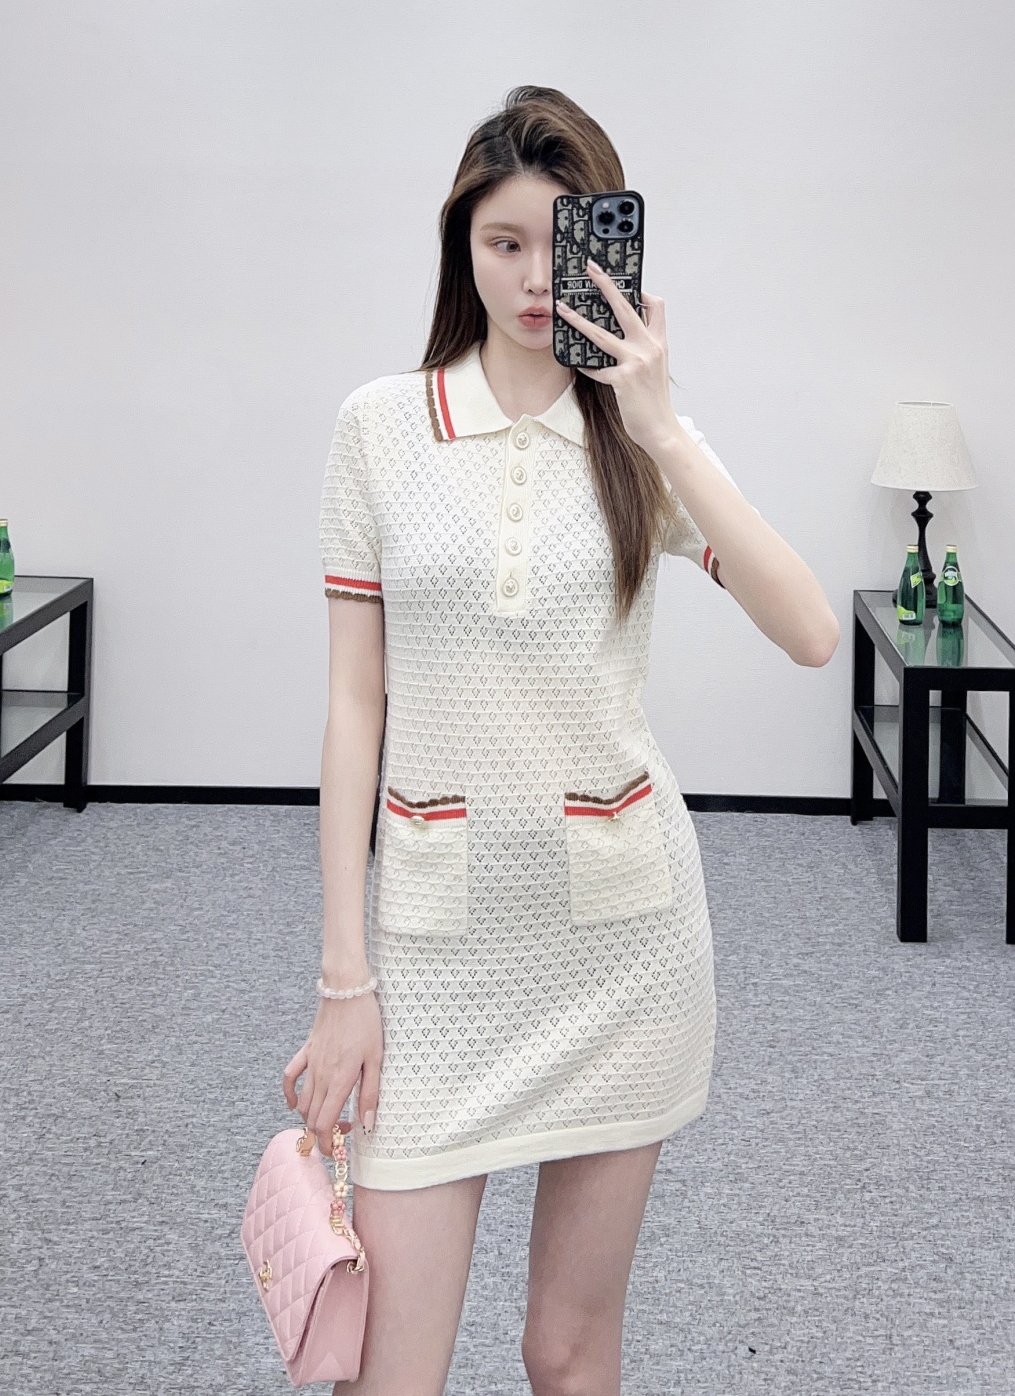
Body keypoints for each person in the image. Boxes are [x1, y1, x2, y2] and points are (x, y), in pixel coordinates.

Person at [284, 85, 840, 1396]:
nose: (537, 278)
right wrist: (345, 977)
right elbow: (354, 708)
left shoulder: (641, 442)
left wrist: (662, 425)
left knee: (570, 1349)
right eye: (505, 243)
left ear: (612, 248)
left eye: (561, 242)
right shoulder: (380, 428)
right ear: (462, 249)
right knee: (388, 1371)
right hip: (437, 949)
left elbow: (813, 631)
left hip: (623, 944)